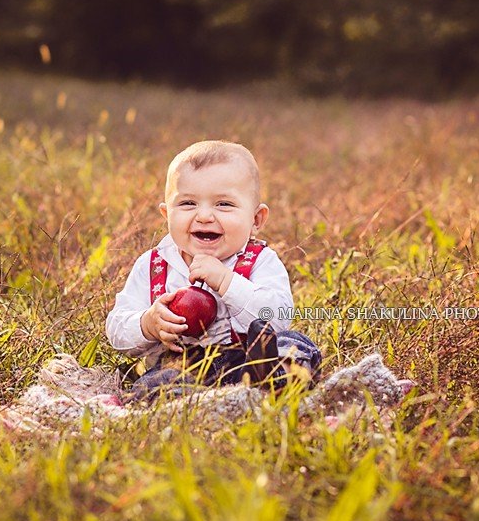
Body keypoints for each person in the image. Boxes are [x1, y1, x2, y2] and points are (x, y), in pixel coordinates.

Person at [106, 139, 322, 404]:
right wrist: (147, 324)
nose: (204, 216)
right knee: (155, 383)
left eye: (224, 204)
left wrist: (227, 281)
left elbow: (277, 318)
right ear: (166, 214)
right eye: (188, 203)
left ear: (256, 220)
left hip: (248, 360)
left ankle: (273, 380)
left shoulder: (260, 261)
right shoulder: (153, 265)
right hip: (181, 366)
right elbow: (117, 329)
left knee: (294, 344)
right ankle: (188, 403)